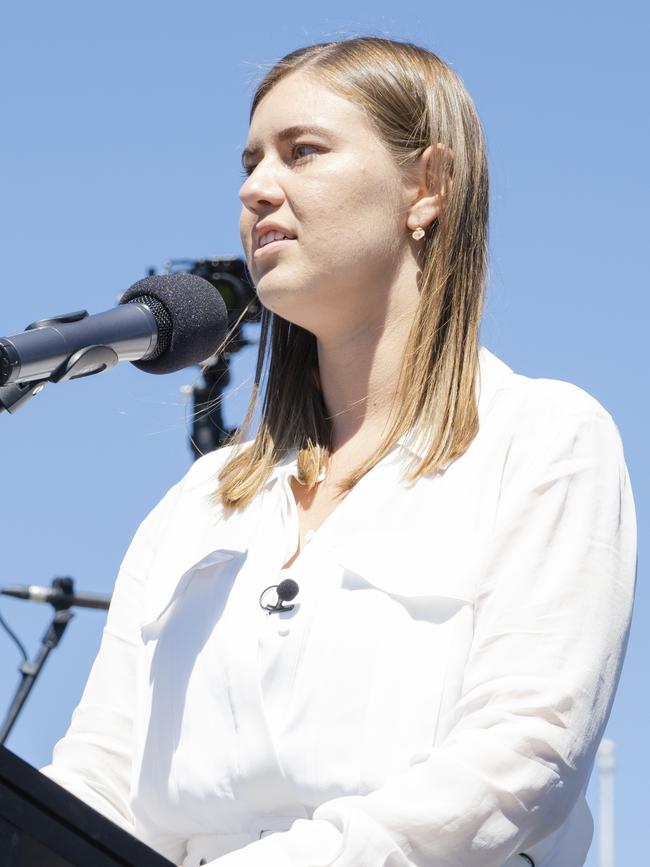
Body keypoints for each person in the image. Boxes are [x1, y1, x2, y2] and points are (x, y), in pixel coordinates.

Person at [40, 37, 637, 867]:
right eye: (249, 161)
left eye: (303, 152)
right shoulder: (199, 502)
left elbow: (520, 760)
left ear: (426, 187)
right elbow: (98, 780)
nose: (255, 188)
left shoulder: (543, 442)